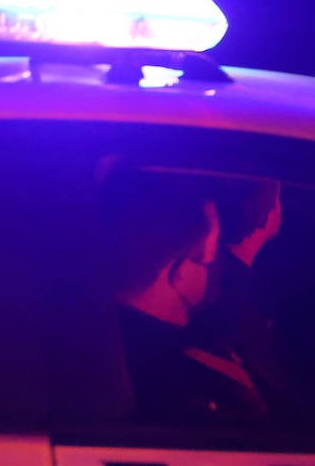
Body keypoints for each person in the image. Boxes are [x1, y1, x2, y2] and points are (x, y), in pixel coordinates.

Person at [100, 165, 268, 422]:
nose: (216, 273)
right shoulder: (199, 386)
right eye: (211, 260)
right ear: (180, 272)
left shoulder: (102, 344)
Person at [191, 178, 295, 413]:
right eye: (277, 200)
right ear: (267, 212)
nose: (281, 208)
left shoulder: (219, 273)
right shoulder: (239, 291)